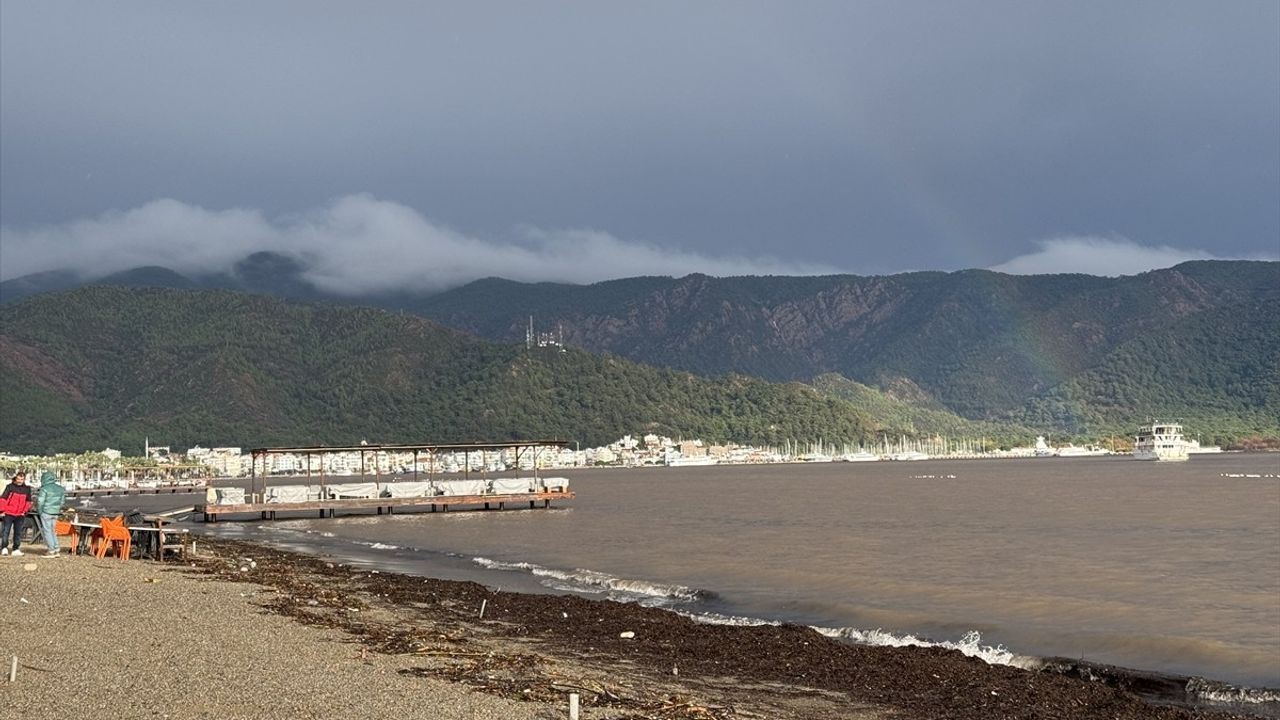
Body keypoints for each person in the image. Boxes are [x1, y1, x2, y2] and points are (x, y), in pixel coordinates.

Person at [1, 470, 34, 556]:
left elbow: (29, 501)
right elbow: (3, 499)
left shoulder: (27, 489)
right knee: (6, 531)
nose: (20, 481)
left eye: (21, 479)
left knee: (18, 533)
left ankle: (15, 549)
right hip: (8, 513)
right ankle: (4, 548)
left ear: (24, 479)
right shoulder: (9, 487)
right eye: (18, 479)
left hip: (20, 514)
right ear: (16, 478)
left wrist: (24, 511)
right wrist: (2, 511)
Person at [35, 470, 66, 557]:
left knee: (47, 531)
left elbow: (40, 501)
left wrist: (40, 511)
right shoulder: (61, 489)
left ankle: (51, 550)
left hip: (46, 512)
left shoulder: (44, 489)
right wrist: (57, 509)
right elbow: (62, 502)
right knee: (53, 531)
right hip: (56, 512)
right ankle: (56, 549)